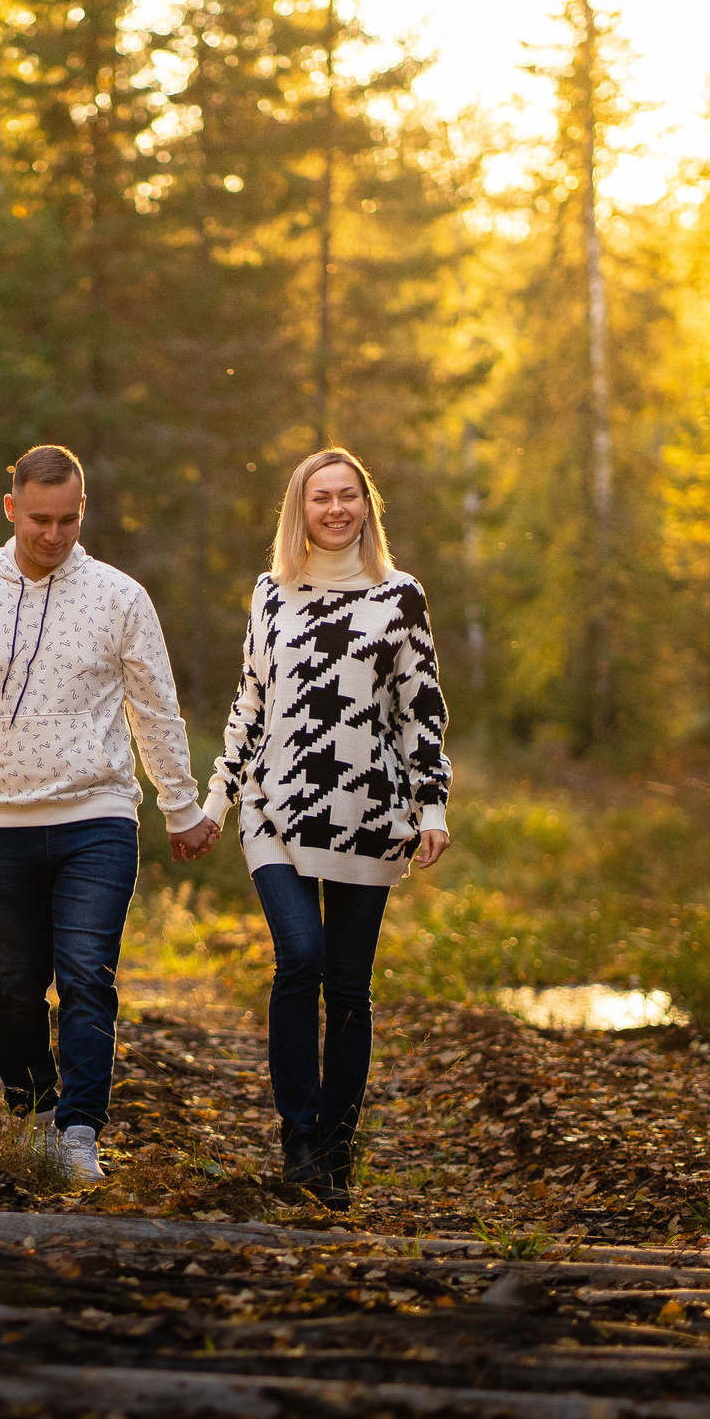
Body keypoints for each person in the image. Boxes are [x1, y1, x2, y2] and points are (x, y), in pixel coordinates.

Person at [0, 445, 221, 1188]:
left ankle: (79, 1131)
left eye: (69, 519)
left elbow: (156, 709)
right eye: (40, 519)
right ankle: (32, 1116)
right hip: (2, 823)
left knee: (88, 975)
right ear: (11, 507)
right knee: (20, 981)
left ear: (84, 511)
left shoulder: (120, 598)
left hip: (99, 815)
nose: (54, 535)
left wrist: (180, 807)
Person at [202, 446, 450, 1208]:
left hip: (368, 813)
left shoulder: (398, 596)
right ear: (299, 510)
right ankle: (298, 1133)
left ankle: (339, 1145)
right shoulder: (272, 594)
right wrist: (218, 798)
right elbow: (251, 701)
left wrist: (431, 805)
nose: (336, 509)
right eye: (321, 498)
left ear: (366, 507)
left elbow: (421, 710)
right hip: (275, 807)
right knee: (300, 956)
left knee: (348, 986)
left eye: (348, 496)